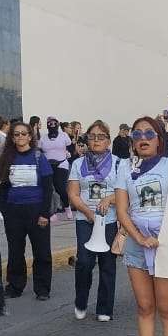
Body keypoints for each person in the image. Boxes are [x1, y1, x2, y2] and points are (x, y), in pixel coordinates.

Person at [116, 115, 168, 336]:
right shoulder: (123, 167)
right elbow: (122, 210)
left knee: (166, 307)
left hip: (165, 246)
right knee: (144, 306)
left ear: (158, 139)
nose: (143, 139)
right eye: (137, 134)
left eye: (149, 134)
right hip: (136, 245)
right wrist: (140, 238)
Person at [67, 119, 127, 321]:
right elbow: (73, 194)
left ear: (108, 141)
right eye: (92, 137)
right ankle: (81, 301)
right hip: (85, 219)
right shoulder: (78, 163)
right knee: (84, 261)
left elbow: (125, 193)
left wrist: (109, 199)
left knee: (107, 264)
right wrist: (88, 213)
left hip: (109, 220)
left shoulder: (119, 163)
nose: (96, 140)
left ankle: (104, 308)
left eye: (101, 137)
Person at [0, 120, 54, 299]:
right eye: (16, 134)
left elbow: (48, 187)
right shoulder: (7, 158)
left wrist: (44, 214)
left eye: (24, 133)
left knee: (42, 252)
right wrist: (4, 209)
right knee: (15, 251)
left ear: (30, 137)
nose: (20, 137)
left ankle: (42, 289)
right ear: (12, 138)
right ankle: (15, 286)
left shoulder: (38, 157)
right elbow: (2, 186)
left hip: (36, 210)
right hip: (14, 212)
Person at [38, 116, 72, 217]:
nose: (52, 125)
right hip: (48, 165)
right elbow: (39, 149)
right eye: (50, 123)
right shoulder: (43, 138)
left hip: (62, 164)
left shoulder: (64, 135)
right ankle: (51, 212)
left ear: (57, 124)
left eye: (54, 123)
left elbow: (69, 145)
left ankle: (67, 207)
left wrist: (67, 153)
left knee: (60, 187)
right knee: (48, 188)